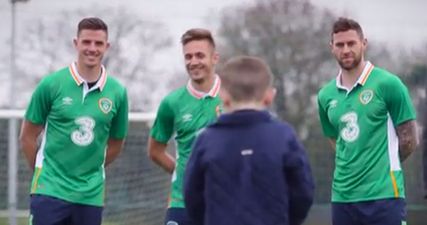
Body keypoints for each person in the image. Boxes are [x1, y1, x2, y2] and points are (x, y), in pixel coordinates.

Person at [19, 17, 128, 225]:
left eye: (98, 43)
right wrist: (44, 173)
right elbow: (27, 137)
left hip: (90, 194)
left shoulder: (118, 92)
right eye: (86, 42)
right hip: (49, 189)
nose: (92, 48)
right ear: (76, 43)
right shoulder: (51, 84)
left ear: (107, 46)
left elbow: (116, 143)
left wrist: (90, 170)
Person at [184, 56, 315, 225]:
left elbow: (192, 196)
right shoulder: (284, 137)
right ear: (270, 96)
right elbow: (303, 192)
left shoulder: (206, 141)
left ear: (223, 96)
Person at [317, 17, 419, 225]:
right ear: (332, 48)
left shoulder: (388, 84)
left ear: (363, 43)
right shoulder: (325, 96)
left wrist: (379, 163)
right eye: (340, 44)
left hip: (384, 195)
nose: (346, 50)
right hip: (342, 198)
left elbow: (410, 140)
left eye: (351, 43)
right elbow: (335, 141)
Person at [147, 28, 222, 225]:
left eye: (200, 55)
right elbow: (155, 150)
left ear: (215, 58)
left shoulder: (233, 97)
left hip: (224, 202)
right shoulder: (172, 103)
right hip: (182, 202)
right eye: (188, 56)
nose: (193, 61)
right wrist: (183, 172)